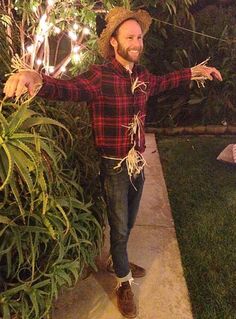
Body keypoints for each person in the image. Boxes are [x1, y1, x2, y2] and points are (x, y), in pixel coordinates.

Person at [3, 6, 222, 318]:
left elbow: (163, 82)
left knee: (129, 222)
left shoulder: (142, 76)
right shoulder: (99, 77)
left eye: (139, 37)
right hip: (114, 167)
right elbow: (67, 89)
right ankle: (123, 282)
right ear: (115, 43)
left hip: (137, 164)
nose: (137, 42)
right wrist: (35, 77)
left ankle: (115, 260)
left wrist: (193, 72)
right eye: (130, 37)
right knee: (119, 228)